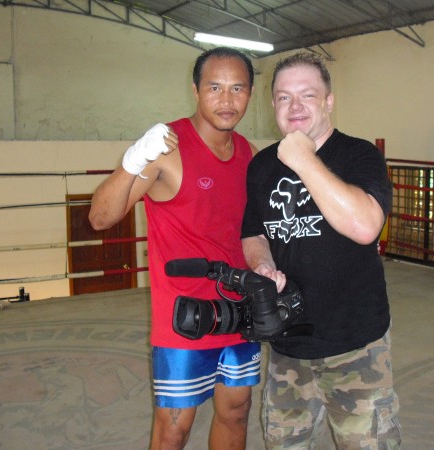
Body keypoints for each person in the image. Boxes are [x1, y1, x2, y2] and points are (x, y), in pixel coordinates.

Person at [89, 47, 260, 450]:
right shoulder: (167, 147)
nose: (226, 99)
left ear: (251, 94)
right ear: (196, 90)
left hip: (239, 311)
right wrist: (132, 161)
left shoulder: (249, 153)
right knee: (174, 430)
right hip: (183, 319)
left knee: (237, 412)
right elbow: (99, 218)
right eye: (215, 87)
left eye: (237, 88)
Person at [241, 52, 401, 449]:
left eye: (307, 95)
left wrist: (303, 159)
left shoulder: (360, 155)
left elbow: (365, 226)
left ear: (329, 101)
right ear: (273, 104)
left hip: (355, 345)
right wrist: (262, 265)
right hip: (287, 345)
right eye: (284, 97)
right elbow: (253, 233)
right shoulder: (262, 166)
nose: (294, 106)